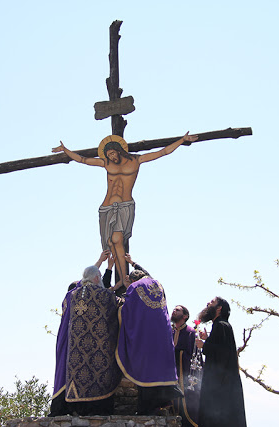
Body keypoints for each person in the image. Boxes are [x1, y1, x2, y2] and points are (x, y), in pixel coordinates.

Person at [52, 132, 198, 289]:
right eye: (108, 155)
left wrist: (182, 140)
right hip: (107, 207)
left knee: (117, 239)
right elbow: (83, 160)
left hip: (125, 205)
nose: (112, 157)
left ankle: (123, 279)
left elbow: (162, 152)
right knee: (110, 243)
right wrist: (66, 150)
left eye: (113, 153)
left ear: (119, 150)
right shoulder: (107, 164)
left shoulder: (136, 160)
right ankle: (121, 278)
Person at [49, 265, 122, 416]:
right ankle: (96, 407)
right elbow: (119, 305)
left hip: (75, 349)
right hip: (98, 349)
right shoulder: (103, 295)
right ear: (96, 278)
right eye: (100, 277)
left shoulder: (72, 295)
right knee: (98, 376)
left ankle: (75, 407)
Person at [116, 269, 182, 415]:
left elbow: (127, 308)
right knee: (159, 370)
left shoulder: (135, 287)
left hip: (146, 337)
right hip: (163, 335)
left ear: (133, 280)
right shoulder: (158, 284)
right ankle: (162, 404)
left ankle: (146, 407)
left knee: (146, 370)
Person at [195, 297, 247, 427]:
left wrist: (204, 345)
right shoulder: (220, 325)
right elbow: (221, 348)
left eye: (212, 302)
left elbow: (223, 353)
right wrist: (208, 339)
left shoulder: (221, 325)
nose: (208, 303)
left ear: (219, 308)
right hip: (221, 384)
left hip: (220, 386)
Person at [171, 305, 200, 427]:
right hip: (171, 375)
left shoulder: (190, 333)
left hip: (185, 378)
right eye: (174, 309)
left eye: (177, 310)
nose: (174, 311)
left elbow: (195, 357)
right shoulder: (170, 331)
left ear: (185, 316)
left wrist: (178, 353)